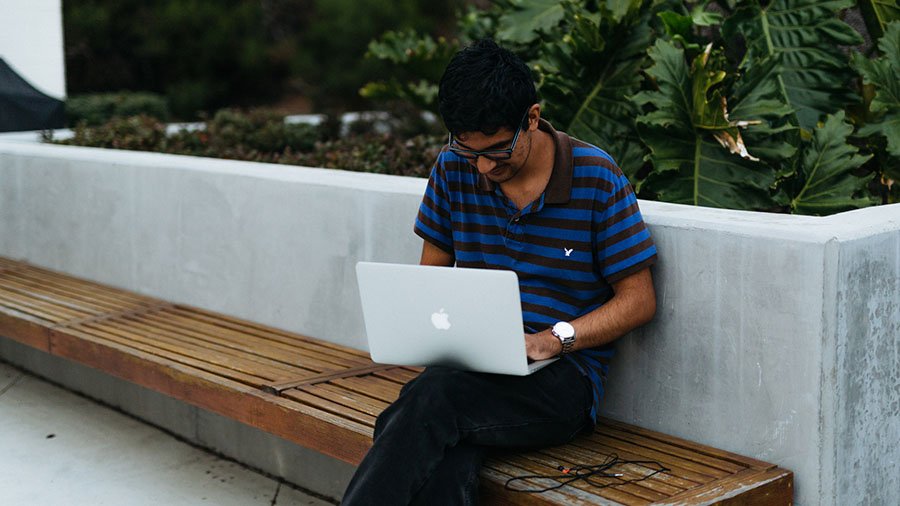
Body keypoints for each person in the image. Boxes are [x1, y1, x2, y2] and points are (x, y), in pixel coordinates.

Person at [341, 38, 658, 505]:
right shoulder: (453, 168)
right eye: (470, 153)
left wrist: (552, 339)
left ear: (531, 117)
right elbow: (431, 281)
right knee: (442, 436)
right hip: (466, 374)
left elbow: (639, 299)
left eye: (497, 151)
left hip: (561, 381)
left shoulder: (597, 177)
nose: (485, 168)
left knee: (425, 407)